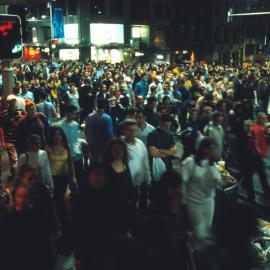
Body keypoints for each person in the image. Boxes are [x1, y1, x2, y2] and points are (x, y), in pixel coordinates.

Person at [139, 170, 189, 270]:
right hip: (161, 261)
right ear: (169, 190)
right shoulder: (157, 211)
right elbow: (168, 240)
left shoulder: (182, 208)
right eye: (180, 187)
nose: (183, 191)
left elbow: (183, 233)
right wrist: (174, 213)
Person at [1, 183, 54, 270]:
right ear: (14, 197)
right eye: (19, 196)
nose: (22, 199)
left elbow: (44, 243)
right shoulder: (8, 220)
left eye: (25, 196)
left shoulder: (38, 217)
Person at [181, 137, 220, 239]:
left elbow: (217, 181)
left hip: (209, 202)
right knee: (199, 232)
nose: (211, 151)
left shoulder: (213, 164)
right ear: (202, 148)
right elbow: (182, 182)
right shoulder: (190, 162)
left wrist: (215, 164)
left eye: (213, 149)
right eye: (209, 148)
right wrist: (184, 201)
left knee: (207, 229)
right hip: (194, 203)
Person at [102, 138, 135, 234]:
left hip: (125, 205)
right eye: (115, 149)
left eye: (120, 149)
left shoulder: (124, 164)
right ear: (110, 151)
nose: (118, 151)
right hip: (112, 207)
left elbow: (129, 183)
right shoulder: (106, 168)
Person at [47, 126, 77, 225]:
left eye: (59, 134)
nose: (57, 136)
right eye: (55, 134)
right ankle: (61, 219)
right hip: (52, 177)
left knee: (61, 197)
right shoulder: (48, 148)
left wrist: (73, 177)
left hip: (63, 176)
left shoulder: (66, 146)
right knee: (57, 198)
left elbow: (70, 163)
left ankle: (62, 218)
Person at [121, 119, 151, 214]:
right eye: (130, 130)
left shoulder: (140, 143)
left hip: (142, 182)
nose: (133, 132)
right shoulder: (120, 145)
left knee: (143, 205)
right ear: (124, 131)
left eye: (135, 130)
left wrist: (148, 178)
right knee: (131, 207)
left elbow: (145, 161)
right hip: (128, 184)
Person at [244, 112, 270, 203]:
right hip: (254, 156)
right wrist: (257, 152)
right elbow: (252, 143)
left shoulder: (263, 128)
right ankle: (251, 196)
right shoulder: (255, 129)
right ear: (258, 119)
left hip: (258, 156)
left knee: (262, 174)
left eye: (266, 118)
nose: (266, 120)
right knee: (251, 175)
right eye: (263, 118)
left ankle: (266, 192)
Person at [58, 105, 84, 185]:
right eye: (73, 113)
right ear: (67, 113)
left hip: (76, 154)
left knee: (79, 177)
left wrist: (81, 143)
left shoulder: (75, 124)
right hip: (65, 156)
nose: (74, 116)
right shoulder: (59, 125)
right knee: (67, 179)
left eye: (75, 114)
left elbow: (76, 139)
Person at [0, 96, 24, 179]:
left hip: (20, 138)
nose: (13, 103)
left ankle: (17, 174)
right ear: (8, 103)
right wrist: (3, 141)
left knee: (20, 157)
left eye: (14, 101)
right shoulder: (4, 113)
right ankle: (15, 176)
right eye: (11, 101)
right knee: (14, 159)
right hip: (9, 139)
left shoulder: (20, 112)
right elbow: (1, 128)